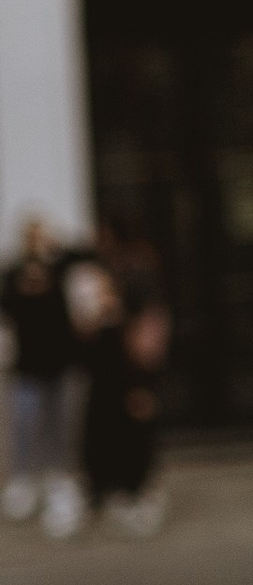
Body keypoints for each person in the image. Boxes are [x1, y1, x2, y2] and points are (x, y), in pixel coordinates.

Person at [78, 227, 171, 538]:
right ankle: (112, 490)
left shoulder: (140, 310)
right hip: (107, 385)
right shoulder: (105, 308)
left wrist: (143, 386)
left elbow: (146, 352)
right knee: (106, 434)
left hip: (131, 381)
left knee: (136, 434)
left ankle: (139, 493)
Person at [3, 213, 88, 539]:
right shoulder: (14, 274)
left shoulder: (59, 267)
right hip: (28, 365)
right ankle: (23, 479)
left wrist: (58, 246)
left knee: (57, 424)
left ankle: (58, 478)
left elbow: (84, 255)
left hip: (58, 362)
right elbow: (7, 307)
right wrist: (23, 289)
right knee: (25, 424)